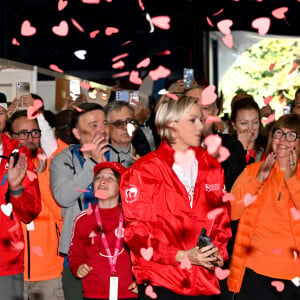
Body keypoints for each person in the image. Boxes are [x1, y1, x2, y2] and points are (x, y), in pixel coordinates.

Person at [120, 96, 231, 299]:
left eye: (201, 119)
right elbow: (136, 233)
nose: (201, 125)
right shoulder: (144, 171)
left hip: (204, 282)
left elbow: (221, 223)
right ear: (172, 124)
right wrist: (181, 255)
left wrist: (217, 254)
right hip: (162, 281)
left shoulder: (213, 167)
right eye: (193, 120)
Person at [228, 113, 300, 299]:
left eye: (291, 135)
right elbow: (232, 213)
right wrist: (258, 180)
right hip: (254, 276)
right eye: (278, 133)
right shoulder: (253, 171)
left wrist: (291, 180)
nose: (283, 140)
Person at [50, 103, 109, 300]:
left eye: (104, 123)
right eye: (93, 125)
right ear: (76, 132)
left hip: (113, 251)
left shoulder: (117, 156)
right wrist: (93, 162)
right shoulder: (62, 160)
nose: (101, 130)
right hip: (77, 252)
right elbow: (63, 197)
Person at [7, 110, 65, 300]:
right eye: (23, 133)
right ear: (10, 135)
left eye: (35, 132)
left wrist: (38, 180)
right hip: (11, 270)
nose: (30, 138)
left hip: (49, 269)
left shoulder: (55, 162)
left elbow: (60, 211)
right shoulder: (4, 167)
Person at [68, 162, 138, 300]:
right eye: (98, 178)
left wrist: (142, 279)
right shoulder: (83, 219)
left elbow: (144, 252)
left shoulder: (132, 217)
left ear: (121, 187)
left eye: (110, 178)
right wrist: (78, 266)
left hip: (129, 293)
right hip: (94, 293)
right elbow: (75, 252)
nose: (103, 181)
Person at [0, 96, 41, 300]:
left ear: (5, 117)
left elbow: (30, 212)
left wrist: (15, 189)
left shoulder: (19, 154)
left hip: (7, 261)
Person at [229, 95, 267, 164]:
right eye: (244, 123)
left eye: (255, 122)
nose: (250, 128)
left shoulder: (267, 150)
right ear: (234, 125)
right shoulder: (225, 150)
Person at [104, 100, 139, 167]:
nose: (126, 127)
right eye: (118, 124)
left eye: (129, 121)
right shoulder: (100, 157)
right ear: (107, 128)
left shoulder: (145, 153)